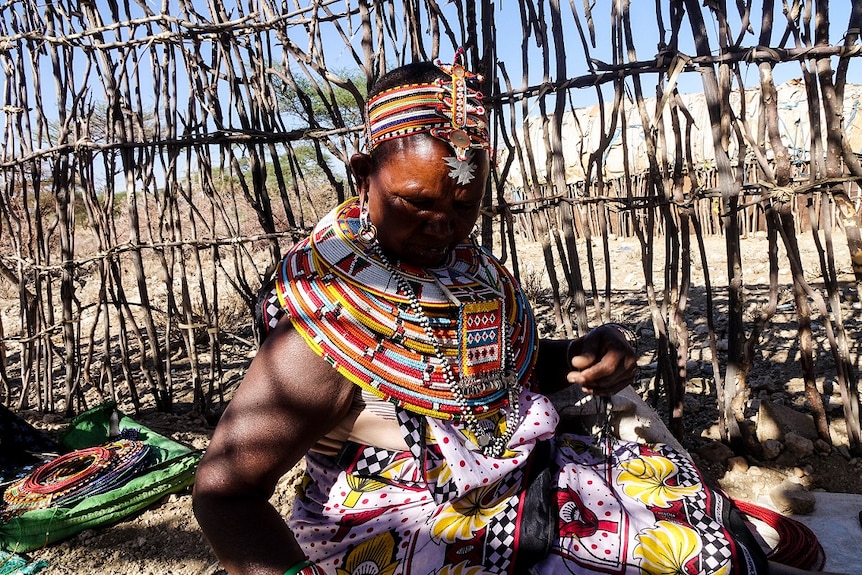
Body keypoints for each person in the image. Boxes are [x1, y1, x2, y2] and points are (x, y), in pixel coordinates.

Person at [193, 52, 780, 575]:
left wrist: (586, 350)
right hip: (402, 524)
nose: (442, 225)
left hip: (505, 480)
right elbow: (224, 494)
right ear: (361, 175)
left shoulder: (466, 271)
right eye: (415, 201)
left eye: (464, 204)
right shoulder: (327, 317)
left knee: (698, 543)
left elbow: (492, 375)